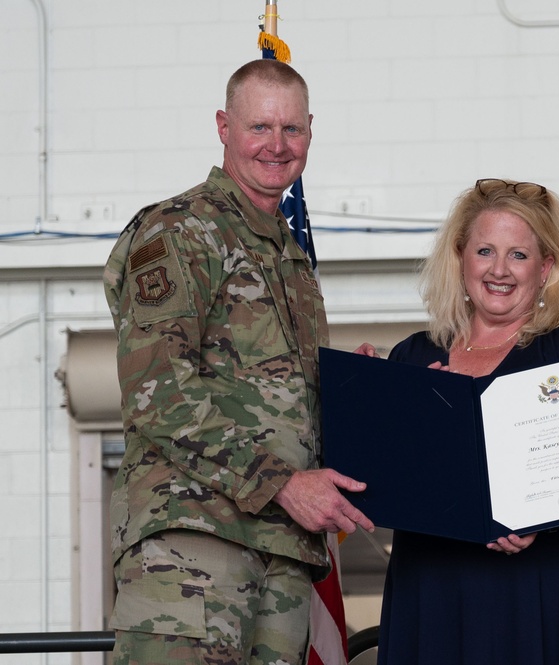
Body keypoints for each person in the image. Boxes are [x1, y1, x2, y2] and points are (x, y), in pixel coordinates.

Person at [103, 58, 373, 665]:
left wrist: (364, 394)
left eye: (293, 130)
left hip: (283, 552)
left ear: (311, 132)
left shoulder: (289, 256)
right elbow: (159, 396)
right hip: (194, 542)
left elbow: (280, 402)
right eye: (259, 127)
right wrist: (282, 484)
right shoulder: (180, 232)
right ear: (224, 126)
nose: (276, 146)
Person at [372, 178, 559, 665]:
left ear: (546, 267)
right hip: (434, 587)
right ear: (461, 257)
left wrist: (543, 520)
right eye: (485, 250)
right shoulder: (411, 358)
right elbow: (377, 485)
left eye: (519, 255)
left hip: (538, 592)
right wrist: (370, 398)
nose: (500, 270)